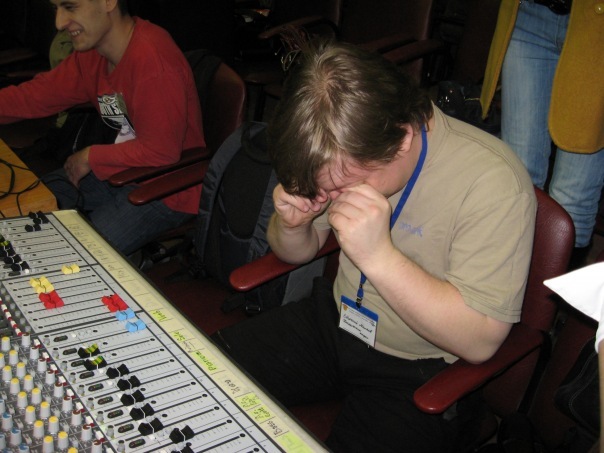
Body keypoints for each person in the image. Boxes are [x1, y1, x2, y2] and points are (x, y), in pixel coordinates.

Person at [212, 40, 537, 452]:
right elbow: (298, 253)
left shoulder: (494, 183)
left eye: (344, 185)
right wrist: (292, 226)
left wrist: (379, 257)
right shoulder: (346, 150)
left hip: (419, 367)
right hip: (337, 321)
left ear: (402, 140)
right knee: (204, 376)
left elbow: (480, 341)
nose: (334, 196)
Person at [0, 0, 205, 255]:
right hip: (124, 169)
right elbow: (35, 97)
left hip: (168, 188)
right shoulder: (94, 53)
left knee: (69, 255)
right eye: (56, 9)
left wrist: (91, 156)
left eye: (70, 7)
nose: (59, 23)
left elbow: (162, 151)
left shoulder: (153, 61)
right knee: (23, 207)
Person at [480, 0, 604, 268]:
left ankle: (553, 293)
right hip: (528, 13)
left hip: (597, 31)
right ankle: (508, 284)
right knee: (517, 182)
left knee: (571, 199)